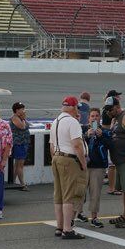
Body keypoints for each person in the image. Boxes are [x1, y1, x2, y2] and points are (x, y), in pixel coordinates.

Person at [50, 96, 87, 239]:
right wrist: (83, 163)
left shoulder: (56, 121)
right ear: (73, 107)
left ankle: (59, 226)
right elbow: (77, 145)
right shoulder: (72, 122)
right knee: (69, 195)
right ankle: (67, 229)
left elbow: (52, 146)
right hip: (69, 159)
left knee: (58, 195)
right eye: (77, 107)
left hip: (57, 157)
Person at [83, 106, 110, 227]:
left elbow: (110, 145)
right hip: (83, 166)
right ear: (88, 118)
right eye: (92, 116)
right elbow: (76, 144)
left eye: (96, 116)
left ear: (100, 118)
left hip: (98, 166)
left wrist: (102, 136)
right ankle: (75, 215)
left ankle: (94, 217)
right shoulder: (82, 129)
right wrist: (86, 136)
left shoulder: (104, 131)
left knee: (95, 193)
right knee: (79, 192)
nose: (94, 118)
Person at [9, 102, 30, 191]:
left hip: (23, 142)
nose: (24, 110)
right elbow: (22, 127)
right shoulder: (15, 118)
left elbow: (27, 125)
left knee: (17, 164)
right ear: (17, 110)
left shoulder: (20, 118)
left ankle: (13, 182)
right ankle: (22, 184)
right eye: (22, 109)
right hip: (18, 143)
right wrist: (24, 119)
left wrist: (23, 118)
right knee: (19, 165)